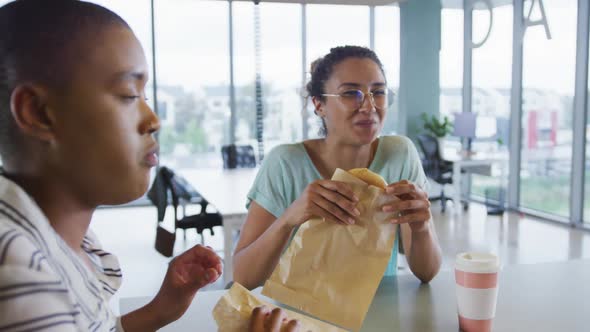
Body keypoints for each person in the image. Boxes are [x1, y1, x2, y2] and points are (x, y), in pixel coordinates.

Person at [0, 1, 298, 331]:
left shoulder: (64, 238)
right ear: (40, 113)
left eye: (146, 96)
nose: (153, 120)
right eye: (129, 95)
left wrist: (160, 310)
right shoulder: (18, 274)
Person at [233, 46, 442, 290]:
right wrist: (290, 218)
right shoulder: (285, 163)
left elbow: (427, 272)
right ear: (319, 105)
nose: (369, 106)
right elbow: (243, 277)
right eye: (351, 93)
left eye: (379, 92)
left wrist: (422, 226)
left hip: (378, 315)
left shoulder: (399, 155)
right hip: (298, 320)